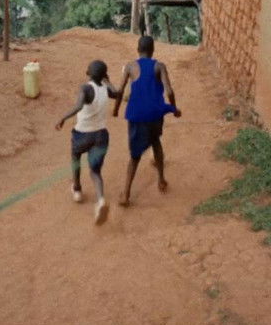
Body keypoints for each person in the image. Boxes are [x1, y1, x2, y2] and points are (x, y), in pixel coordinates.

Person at [111, 35, 180, 206]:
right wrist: (174, 109)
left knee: (135, 156)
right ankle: (161, 179)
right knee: (156, 142)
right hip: (155, 113)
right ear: (153, 50)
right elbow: (169, 91)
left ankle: (126, 194)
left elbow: (120, 91)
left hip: (137, 114)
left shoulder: (130, 66)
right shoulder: (159, 66)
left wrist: (116, 109)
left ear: (138, 50)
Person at [55, 59, 121, 225]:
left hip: (82, 135)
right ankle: (101, 200)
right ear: (104, 75)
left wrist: (63, 118)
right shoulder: (105, 88)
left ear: (88, 73)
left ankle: (77, 190)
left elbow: (78, 106)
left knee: (76, 158)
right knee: (95, 171)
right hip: (101, 136)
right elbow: (117, 94)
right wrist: (108, 81)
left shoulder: (85, 88)